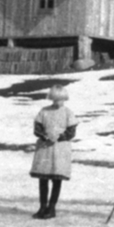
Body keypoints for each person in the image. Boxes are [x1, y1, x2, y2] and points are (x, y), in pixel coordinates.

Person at [30, 85, 77, 219]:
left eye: (61, 100)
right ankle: (42, 207)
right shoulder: (44, 111)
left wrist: (59, 137)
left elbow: (71, 131)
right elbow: (37, 128)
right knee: (43, 178)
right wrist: (45, 136)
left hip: (60, 149)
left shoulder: (68, 113)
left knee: (56, 179)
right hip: (45, 148)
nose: (58, 103)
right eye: (55, 100)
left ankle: (52, 208)